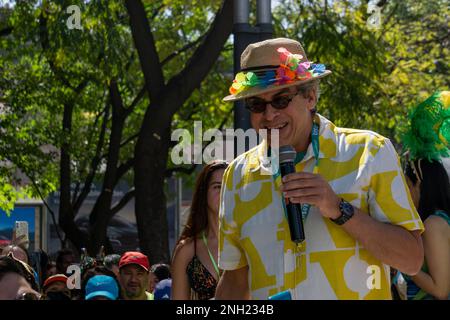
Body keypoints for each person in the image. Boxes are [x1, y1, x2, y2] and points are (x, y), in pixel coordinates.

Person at [215, 38, 424, 300]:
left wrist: (338, 208)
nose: (268, 115)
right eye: (257, 105)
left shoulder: (368, 152)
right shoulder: (237, 175)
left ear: (310, 97)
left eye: (281, 100)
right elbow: (234, 280)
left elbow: (411, 260)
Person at [401, 91, 450, 300]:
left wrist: (401, 263)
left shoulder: (433, 224)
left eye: (406, 184)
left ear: (418, 181)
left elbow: (441, 290)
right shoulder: (433, 221)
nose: (404, 192)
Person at [171, 160, 228, 300]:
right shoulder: (187, 250)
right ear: (204, 193)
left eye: (230, 186)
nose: (225, 193)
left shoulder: (249, 240)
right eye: (217, 187)